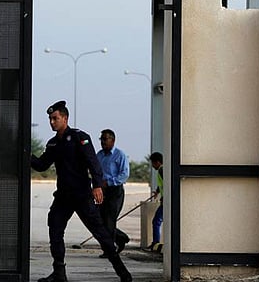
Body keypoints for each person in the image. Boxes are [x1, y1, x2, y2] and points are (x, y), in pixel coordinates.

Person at [31, 100, 132, 282]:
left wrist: (97, 186)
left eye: (55, 118)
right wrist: (25, 154)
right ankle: (59, 273)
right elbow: (41, 165)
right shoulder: (53, 143)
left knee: (101, 233)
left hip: (82, 195)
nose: (52, 122)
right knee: (54, 228)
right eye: (50, 119)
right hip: (63, 196)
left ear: (65, 118)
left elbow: (92, 162)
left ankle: (123, 273)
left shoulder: (79, 137)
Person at [96, 129, 130, 258]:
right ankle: (120, 238)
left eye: (105, 139)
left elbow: (124, 174)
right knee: (100, 220)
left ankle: (109, 250)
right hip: (101, 191)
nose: (103, 142)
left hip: (114, 191)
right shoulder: (99, 155)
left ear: (113, 140)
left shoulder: (119, 155)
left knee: (109, 220)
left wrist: (109, 182)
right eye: (101, 139)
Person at [143, 152, 163, 252]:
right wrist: (158, 192)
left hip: (166, 202)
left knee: (156, 221)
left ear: (157, 162)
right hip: (165, 200)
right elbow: (162, 184)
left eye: (153, 163)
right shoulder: (163, 170)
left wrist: (164, 198)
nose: (152, 165)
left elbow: (167, 184)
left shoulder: (161, 170)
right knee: (157, 221)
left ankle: (155, 243)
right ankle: (156, 243)